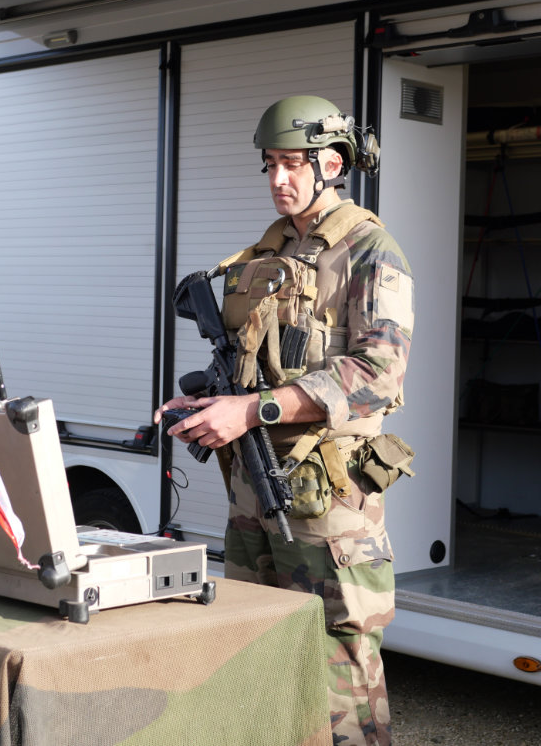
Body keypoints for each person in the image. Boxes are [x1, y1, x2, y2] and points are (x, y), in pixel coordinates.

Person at [156, 95, 414, 746]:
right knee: (257, 653)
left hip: (327, 506)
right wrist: (210, 403)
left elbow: (377, 375)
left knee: (341, 677)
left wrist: (251, 410)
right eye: (270, 165)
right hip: (254, 497)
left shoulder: (368, 251)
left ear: (332, 163)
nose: (278, 180)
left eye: (293, 164)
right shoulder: (266, 253)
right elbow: (251, 367)